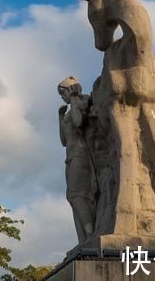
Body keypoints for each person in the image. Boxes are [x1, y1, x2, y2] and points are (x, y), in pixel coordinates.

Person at [58, 76, 96, 243]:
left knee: (76, 195)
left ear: (71, 89)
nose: (62, 97)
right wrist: (60, 118)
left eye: (63, 92)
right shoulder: (67, 112)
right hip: (70, 157)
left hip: (81, 155)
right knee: (72, 196)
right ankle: (83, 238)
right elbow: (64, 141)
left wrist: (73, 99)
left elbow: (79, 122)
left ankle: (90, 234)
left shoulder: (82, 100)